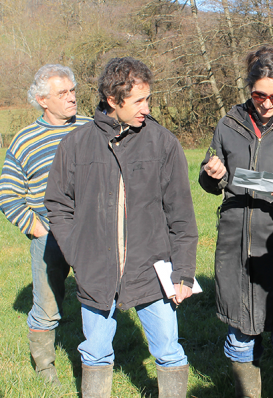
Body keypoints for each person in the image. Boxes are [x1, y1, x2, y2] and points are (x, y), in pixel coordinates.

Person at [44, 57, 198, 398]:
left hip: (152, 271)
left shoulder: (163, 143)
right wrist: (78, 254)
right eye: (139, 100)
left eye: (148, 99)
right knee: (95, 353)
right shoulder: (76, 144)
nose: (147, 107)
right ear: (114, 100)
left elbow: (182, 217)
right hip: (95, 272)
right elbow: (57, 204)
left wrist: (183, 272)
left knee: (169, 352)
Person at [199, 46, 273, 398]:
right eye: (259, 95)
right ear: (249, 89)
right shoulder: (229, 124)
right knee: (239, 338)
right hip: (234, 247)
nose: (267, 103)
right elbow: (210, 179)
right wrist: (213, 174)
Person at [0, 64, 91, 385]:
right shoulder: (25, 139)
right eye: (62, 93)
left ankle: (95, 360)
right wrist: (37, 230)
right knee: (47, 306)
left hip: (93, 234)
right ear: (42, 99)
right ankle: (45, 368)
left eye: (73, 91)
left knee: (97, 299)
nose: (71, 98)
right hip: (49, 236)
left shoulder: (92, 128)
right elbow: (8, 194)